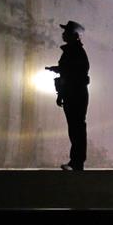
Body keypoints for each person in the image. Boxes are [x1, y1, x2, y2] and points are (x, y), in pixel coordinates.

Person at [47, 20, 89, 171]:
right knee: (75, 128)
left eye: (67, 32)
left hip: (75, 94)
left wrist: (60, 71)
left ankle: (77, 162)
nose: (63, 34)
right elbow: (70, 71)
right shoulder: (73, 51)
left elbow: (73, 74)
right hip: (72, 94)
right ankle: (76, 161)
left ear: (75, 36)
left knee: (76, 128)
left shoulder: (75, 52)